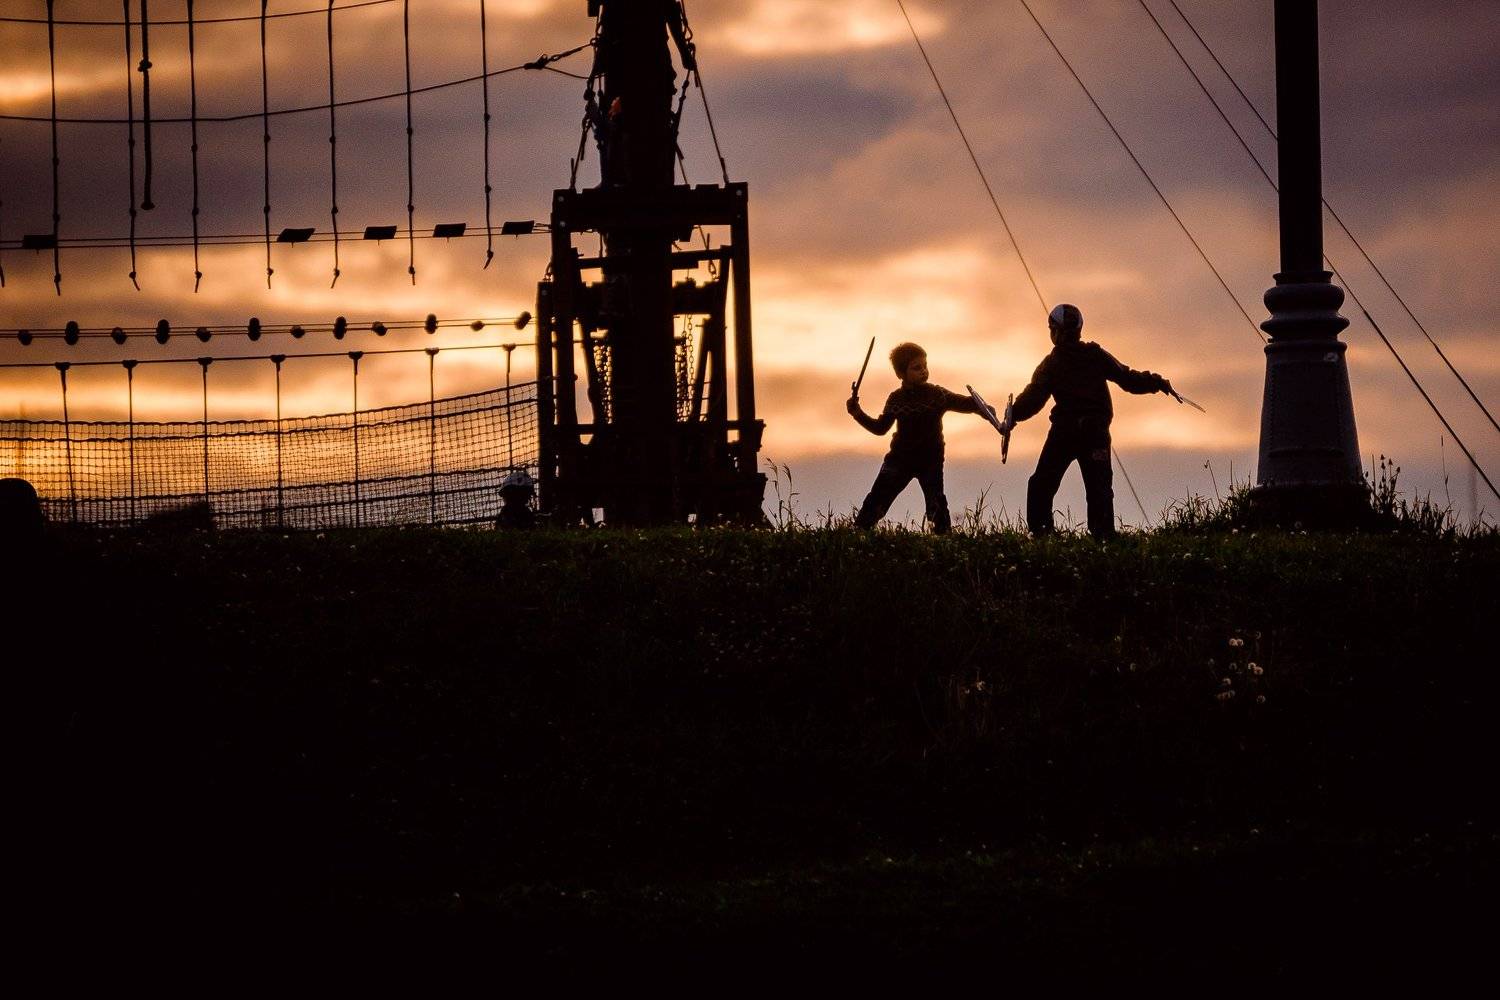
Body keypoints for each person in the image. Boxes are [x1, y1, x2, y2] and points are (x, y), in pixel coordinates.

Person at [1005, 303, 1174, 538]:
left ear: (1056, 331)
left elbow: (1033, 399)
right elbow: (1127, 379)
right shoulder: (1095, 356)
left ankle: (1042, 535)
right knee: (1099, 490)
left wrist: (1012, 415)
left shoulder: (1051, 364)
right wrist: (1156, 382)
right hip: (1095, 433)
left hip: (1064, 433)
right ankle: (1104, 540)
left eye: (1052, 329)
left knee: (1041, 485)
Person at [847, 342, 986, 534]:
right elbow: (880, 428)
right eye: (916, 367)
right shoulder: (896, 399)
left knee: (936, 504)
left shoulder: (937, 394)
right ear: (901, 374)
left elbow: (965, 403)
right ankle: (858, 533)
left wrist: (984, 409)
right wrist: (858, 414)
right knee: (877, 500)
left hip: (931, 461)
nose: (923, 371)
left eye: (925, 366)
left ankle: (944, 538)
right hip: (899, 460)